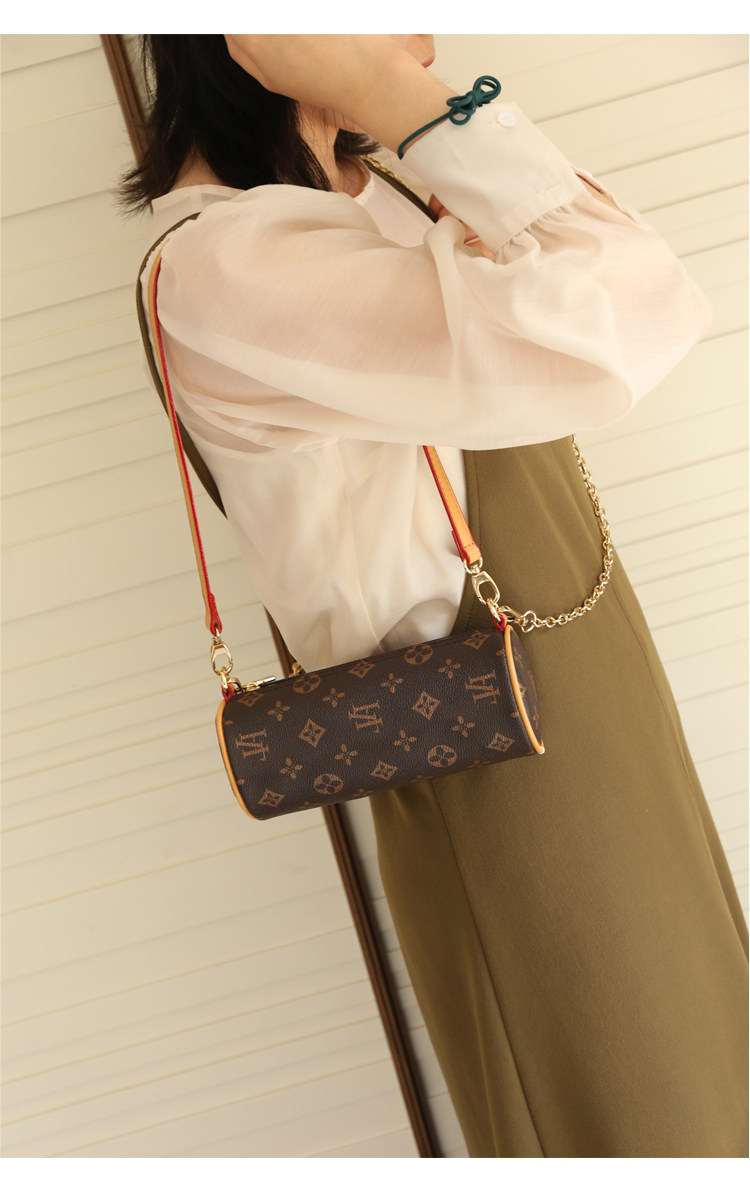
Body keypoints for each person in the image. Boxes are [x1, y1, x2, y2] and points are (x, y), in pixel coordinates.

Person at [127, 35, 748, 1157]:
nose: (422, 42)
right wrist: (394, 95)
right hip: (506, 779)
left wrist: (394, 116)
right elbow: (633, 305)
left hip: (591, 706)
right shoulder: (233, 266)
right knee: (638, 1110)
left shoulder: (362, 205)